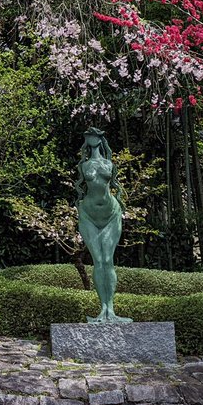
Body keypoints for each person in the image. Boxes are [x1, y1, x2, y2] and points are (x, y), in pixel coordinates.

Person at [76, 128, 128, 323]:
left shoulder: (109, 163)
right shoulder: (83, 165)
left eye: (96, 135)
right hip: (89, 214)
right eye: (88, 135)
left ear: (101, 138)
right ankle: (102, 309)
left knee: (108, 260)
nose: (92, 138)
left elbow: (113, 185)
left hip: (110, 214)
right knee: (98, 260)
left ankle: (111, 310)